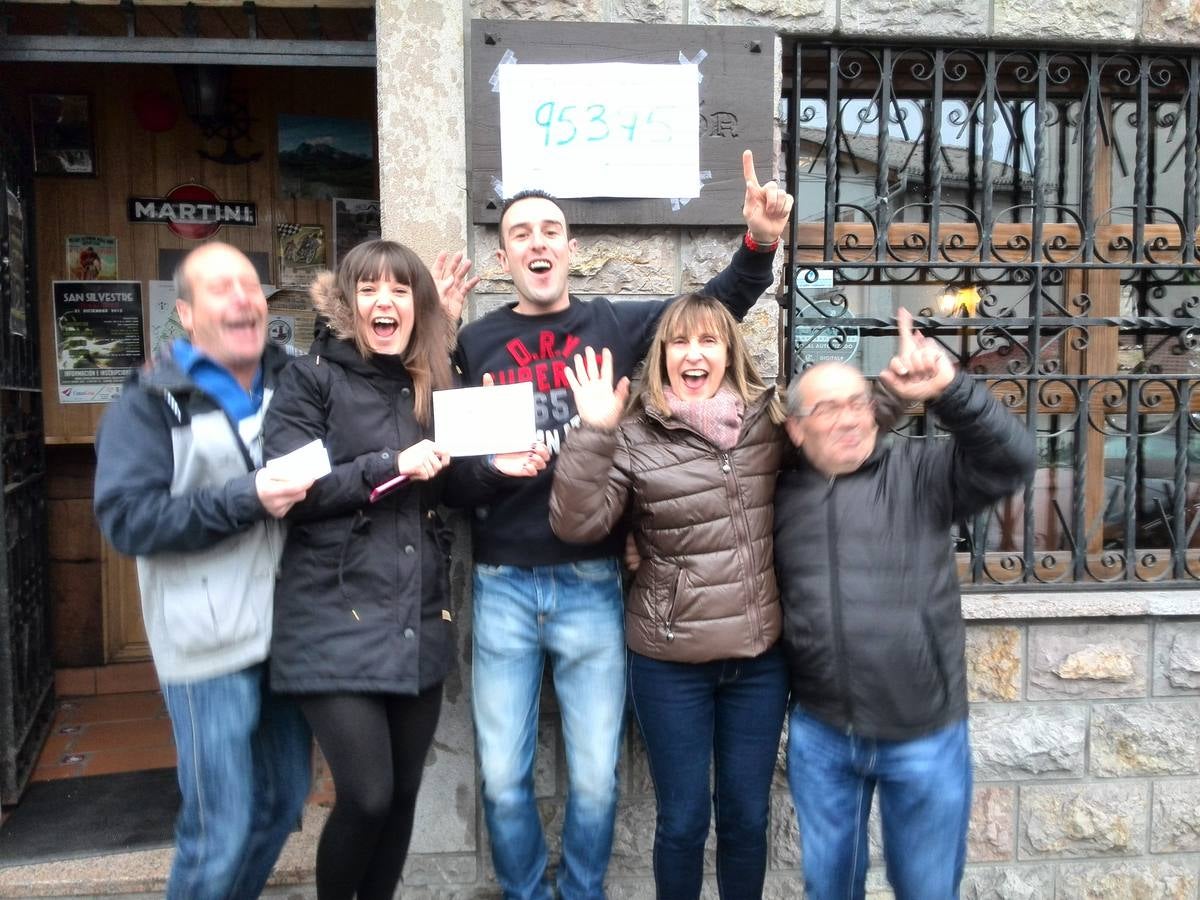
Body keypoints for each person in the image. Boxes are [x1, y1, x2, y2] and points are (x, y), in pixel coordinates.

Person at [446, 150, 794, 900]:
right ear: (504, 258)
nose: (538, 243)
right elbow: (450, 474)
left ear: (571, 249)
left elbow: (712, 312)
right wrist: (493, 468)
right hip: (502, 581)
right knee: (502, 777)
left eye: (550, 230)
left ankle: (582, 893)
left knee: (597, 780)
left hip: (592, 580)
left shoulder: (613, 322)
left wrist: (759, 242)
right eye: (520, 234)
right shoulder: (475, 343)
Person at [775, 309, 1037, 900]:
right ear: (796, 429)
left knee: (926, 889)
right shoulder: (781, 493)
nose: (849, 417)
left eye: (857, 401)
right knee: (828, 888)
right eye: (827, 408)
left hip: (924, 735)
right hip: (822, 733)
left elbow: (1013, 460)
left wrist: (950, 389)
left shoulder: (922, 472)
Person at [262, 239, 496, 900]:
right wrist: (389, 466)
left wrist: (498, 470)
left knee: (400, 797)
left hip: (416, 613)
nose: (384, 302)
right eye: (369, 289)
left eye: (399, 290)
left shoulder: (433, 381)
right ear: (347, 304)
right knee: (366, 796)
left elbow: (452, 489)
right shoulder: (309, 379)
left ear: (418, 306)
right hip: (330, 614)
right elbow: (295, 494)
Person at [548, 294, 790, 899]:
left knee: (747, 819)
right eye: (679, 341)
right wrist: (593, 431)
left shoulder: (768, 421)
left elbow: (842, 439)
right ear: (661, 354)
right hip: (670, 662)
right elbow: (576, 524)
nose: (693, 354)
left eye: (708, 340)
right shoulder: (634, 434)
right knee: (683, 822)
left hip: (758, 662)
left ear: (730, 351)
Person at [94, 241, 315, 900]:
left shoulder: (296, 382)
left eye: (250, 286)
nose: (243, 299)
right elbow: (128, 520)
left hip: (291, 637)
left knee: (281, 804)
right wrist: (248, 498)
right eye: (220, 289)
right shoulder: (148, 403)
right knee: (219, 829)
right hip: (205, 645)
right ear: (186, 314)